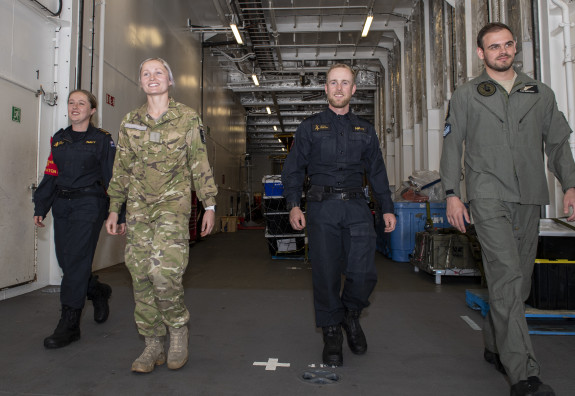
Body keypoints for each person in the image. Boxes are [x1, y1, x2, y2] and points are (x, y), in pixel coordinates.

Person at [440, 22, 575, 396]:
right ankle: (524, 375)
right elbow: (453, 146)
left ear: (515, 48)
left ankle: (495, 344)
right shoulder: (467, 95)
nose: (503, 51)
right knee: (508, 277)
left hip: (530, 196)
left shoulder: (539, 93)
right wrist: (452, 193)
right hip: (486, 195)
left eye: (508, 45)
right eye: (494, 46)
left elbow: (559, 143)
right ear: (481, 54)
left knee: (518, 281)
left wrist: (571, 184)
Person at [105, 57, 218, 373]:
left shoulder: (187, 118)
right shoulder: (130, 121)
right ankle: (152, 343)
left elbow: (199, 162)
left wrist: (209, 204)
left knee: (162, 273)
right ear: (140, 82)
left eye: (158, 72)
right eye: (145, 73)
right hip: (139, 210)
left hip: (172, 208)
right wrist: (115, 207)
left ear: (170, 81)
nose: (151, 77)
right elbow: (122, 169)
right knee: (140, 276)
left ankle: (178, 328)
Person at [281, 63, 396, 367]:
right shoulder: (309, 127)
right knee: (326, 272)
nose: (339, 88)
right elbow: (293, 170)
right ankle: (332, 331)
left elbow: (378, 173)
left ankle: (350, 316)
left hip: (357, 207)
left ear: (354, 89)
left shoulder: (365, 130)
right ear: (326, 89)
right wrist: (294, 204)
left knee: (363, 273)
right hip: (322, 208)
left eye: (345, 83)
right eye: (334, 83)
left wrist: (387, 208)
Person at [33, 89, 125, 349]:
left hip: (89, 204)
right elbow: (51, 174)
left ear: (92, 110)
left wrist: (119, 212)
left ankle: (69, 323)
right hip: (63, 204)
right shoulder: (59, 140)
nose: (75, 107)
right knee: (67, 261)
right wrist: (42, 205)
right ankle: (97, 291)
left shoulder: (101, 140)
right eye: (71, 102)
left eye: (81, 103)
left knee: (75, 259)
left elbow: (112, 178)